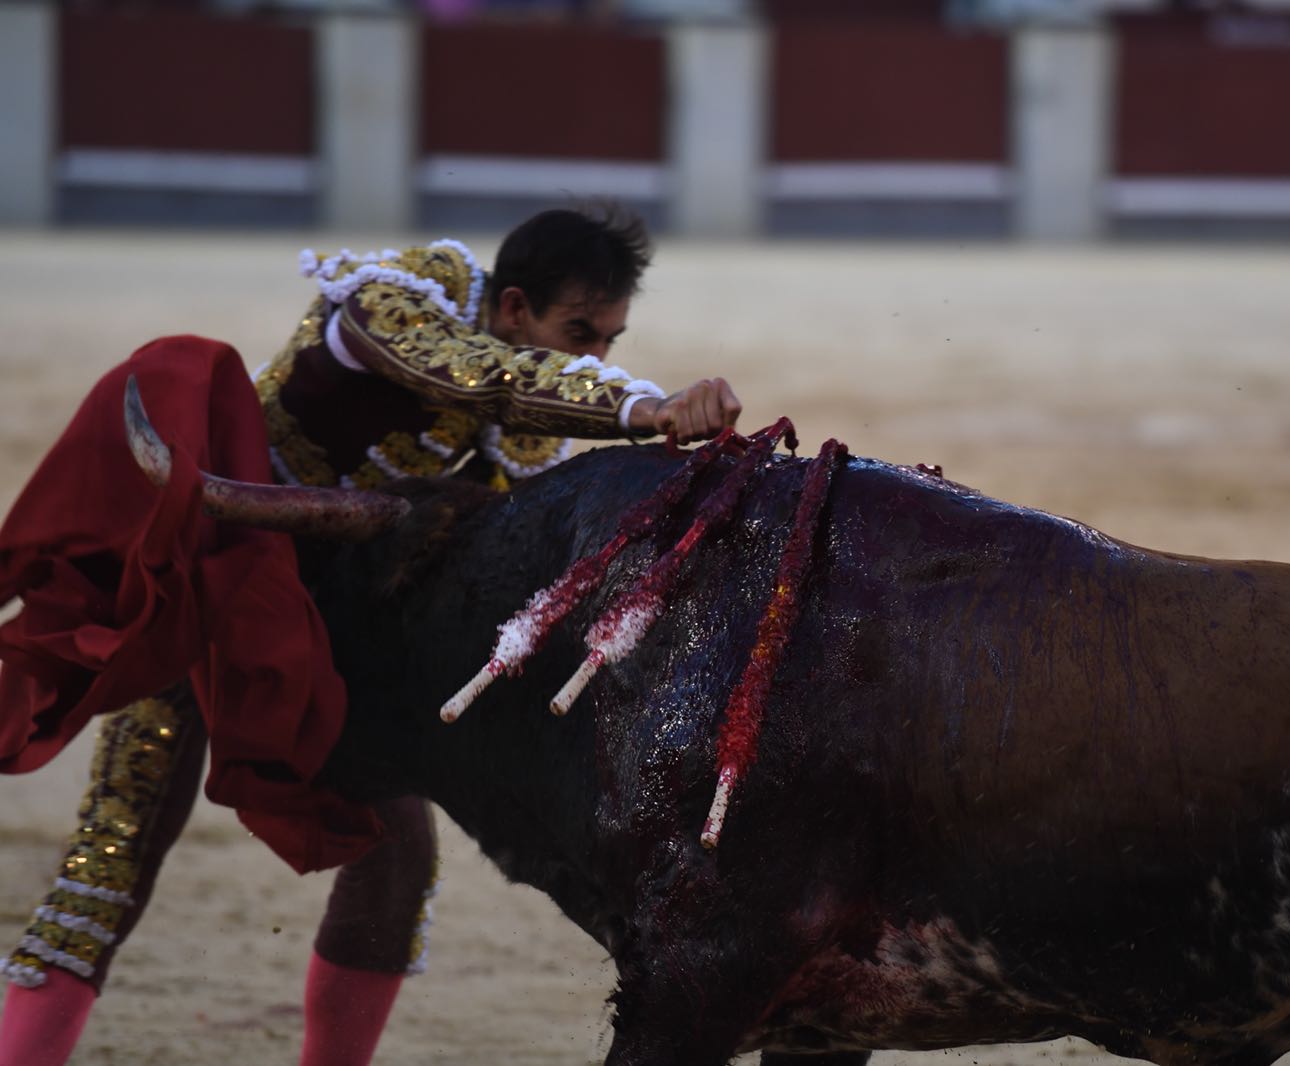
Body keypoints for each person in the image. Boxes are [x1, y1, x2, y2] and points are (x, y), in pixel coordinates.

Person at [0, 205, 741, 1066]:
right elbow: (477, 376)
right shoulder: (392, 304)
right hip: (201, 586)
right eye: (579, 331)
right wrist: (642, 403)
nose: (592, 359)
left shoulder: (536, 406)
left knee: (395, 857)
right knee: (114, 854)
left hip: (316, 632)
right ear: (510, 308)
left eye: (610, 341)